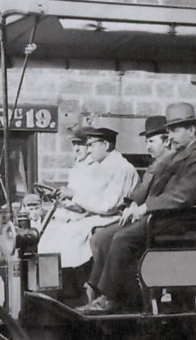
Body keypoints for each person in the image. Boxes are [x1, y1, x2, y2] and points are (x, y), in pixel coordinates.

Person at [83, 103, 196, 313]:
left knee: (122, 238)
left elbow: (182, 196)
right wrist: (134, 203)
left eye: (175, 130)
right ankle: (108, 294)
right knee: (104, 235)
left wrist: (146, 208)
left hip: (184, 223)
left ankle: (112, 298)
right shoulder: (177, 154)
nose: (170, 136)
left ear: (192, 130)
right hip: (165, 218)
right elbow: (151, 182)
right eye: (169, 131)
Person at [38, 124, 139, 299]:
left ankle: (83, 288)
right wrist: (69, 202)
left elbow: (109, 205)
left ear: (105, 145)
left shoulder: (122, 168)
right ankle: (63, 286)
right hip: (99, 215)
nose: (89, 150)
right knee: (57, 231)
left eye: (91, 145)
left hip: (116, 216)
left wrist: (75, 196)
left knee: (71, 234)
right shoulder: (104, 166)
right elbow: (91, 201)